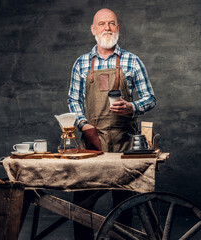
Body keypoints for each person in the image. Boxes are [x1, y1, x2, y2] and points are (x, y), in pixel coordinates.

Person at [67, 8, 156, 239]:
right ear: (93, 29)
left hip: (123, 142)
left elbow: (150, 98)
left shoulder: (132, 61)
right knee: (83, 203)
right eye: (102, 24)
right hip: (92, 143)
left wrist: (132, 107)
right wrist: (83, 124)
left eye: (112, 23)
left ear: (118, 27)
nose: (107, 28)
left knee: (123, 202)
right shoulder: (81, 63)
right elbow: (73, 100)